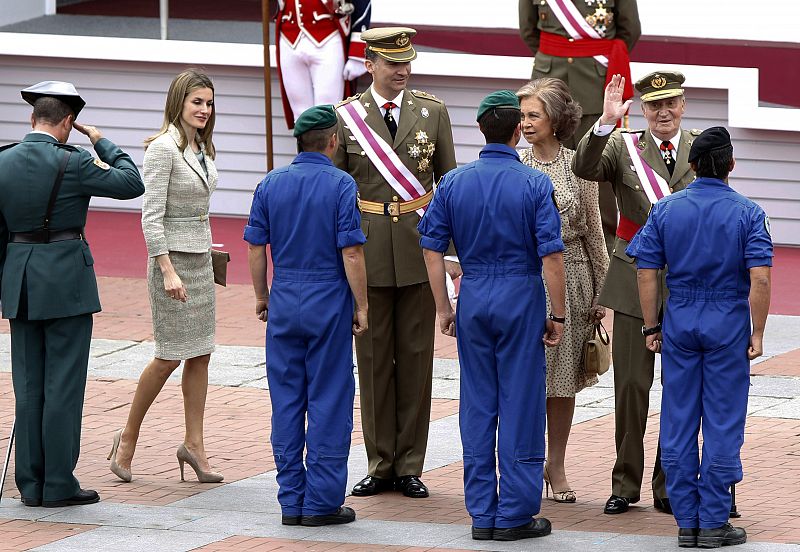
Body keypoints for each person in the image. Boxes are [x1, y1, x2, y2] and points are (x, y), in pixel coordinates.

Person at [419, 90, 565, 541]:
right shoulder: (534, 183)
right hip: (519, 293)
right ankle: (516, 512)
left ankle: (482, 511)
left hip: (474, 292)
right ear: (517, 129)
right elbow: (552, 259)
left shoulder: (453, 183)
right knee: (520, 401)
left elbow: (430, 247)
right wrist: (556, 313)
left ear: (480, 129)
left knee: (478, 403)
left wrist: (445, 306)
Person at [626, 126, 772, 548]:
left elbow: (647, 270)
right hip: (726, 319)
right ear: (730, 164)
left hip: (681, 317)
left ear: (692, 166)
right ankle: (713, 521)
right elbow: (760, 277)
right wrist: (757, 332)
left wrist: (652, 325)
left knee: (678, 417)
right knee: (723, 421)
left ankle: (686, 521)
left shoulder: (667, 209)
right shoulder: (748, 212)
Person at [0, 81, 144, 507]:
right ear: (67, 122)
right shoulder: (75, 160)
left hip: (20, 279)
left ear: (32, 119)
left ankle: (30, 483)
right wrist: (102, 140)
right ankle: (58, 483)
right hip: (64, 282)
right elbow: (131, 181)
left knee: (28, 386)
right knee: (62, 385)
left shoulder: (3, 160)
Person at [333, 27, 457, 499]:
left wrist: (449, 255)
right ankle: (379, 461)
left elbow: (446, 187)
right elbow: (339, 192)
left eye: (408, 63)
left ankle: (410, 463)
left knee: (415, 360)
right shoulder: (345, 118)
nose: (403, 71)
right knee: (372, 362)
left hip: (418, 249)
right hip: (365, 252)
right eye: (393, 64)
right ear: (370, 64)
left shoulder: (433, 112)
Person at [572, 71, 701, 515]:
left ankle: (669, 483)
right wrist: (606, 121)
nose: (663, 113)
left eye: (671, 104)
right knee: (631, 385)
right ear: (643, 110)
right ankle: (625, 482)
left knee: (679, 388)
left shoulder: (700, 147)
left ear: (683, 105)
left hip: (685, 279)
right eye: (653, 105)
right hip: (631, 277)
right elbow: (583, 169)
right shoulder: (622, 146)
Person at [244, 104, 368, 527]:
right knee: (329, 399)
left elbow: (256, 248)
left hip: (285, 296)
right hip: (328, 297)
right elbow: (351, 251)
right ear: (333, 142)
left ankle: (291, 500)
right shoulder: (340, 183)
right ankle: (321, 501)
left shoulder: (270, 183)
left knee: (287, 401)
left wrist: (262, 295)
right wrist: (362, 304)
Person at [109, 69, 222, 484]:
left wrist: (206, 249)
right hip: (171, 266)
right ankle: (128, 436)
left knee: (201, 353)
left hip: (200, 262)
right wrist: (167, 270)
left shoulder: (202, 147)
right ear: (179, 103)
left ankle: (194, 444)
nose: (204, 110)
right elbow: (150, 216)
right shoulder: (162, 149)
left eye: (209, 103)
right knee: (168, 355)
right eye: (197, 102)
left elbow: (197, 212)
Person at [517, 78, 608, 503]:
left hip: (573, 278)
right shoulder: (515, 163)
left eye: (534, 114)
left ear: (555, 120)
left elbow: (594, 233)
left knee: (563, 380)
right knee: (528, 376)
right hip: (525, 277)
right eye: (522, 115)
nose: (526, 122)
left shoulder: (579, 167)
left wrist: (600, 295)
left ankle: (556, 463)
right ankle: (526, 462)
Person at [519, 0, 641, 254]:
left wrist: (592, 53)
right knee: (544, 163)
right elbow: (528, 29)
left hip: (595, 85)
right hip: (549, 80)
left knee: (598, 170)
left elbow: (630, 29)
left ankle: (603, 248)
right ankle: (543, 238)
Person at [276, 0, 371, 128]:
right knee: (300, 114)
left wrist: (357, 52)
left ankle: (326, 147)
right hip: (288, 37)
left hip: (329, 37)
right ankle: (305, 148)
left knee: (327, 112)